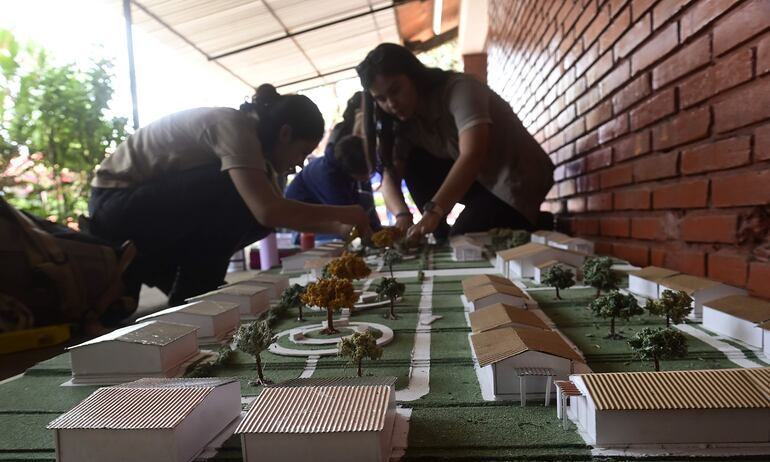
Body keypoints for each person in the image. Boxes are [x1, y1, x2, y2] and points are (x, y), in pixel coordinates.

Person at [88, 84, 371, 308]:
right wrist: (345, 215)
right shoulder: (235, 126)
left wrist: (340, 223)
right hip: (114, 205)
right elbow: (268, 209)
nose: (299, 165)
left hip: (143, 210)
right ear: (285, 133)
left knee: (255, 209)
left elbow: (270, 213)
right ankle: (195, 291)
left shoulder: (257, 148)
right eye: (302, 153)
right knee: (236, 194)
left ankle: (184, 280)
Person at [356, 43, 554, 242]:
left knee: (464, 239)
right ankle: (442, 236)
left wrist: (433, 213)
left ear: (413, 76)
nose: (391, 104)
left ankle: (541, 224)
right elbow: (390, 177)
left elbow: (473, 154)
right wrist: (402, 216)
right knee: (415, 162)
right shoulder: (405, 122)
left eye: (396, 90)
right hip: (481, 183)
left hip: (518, 178)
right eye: (381, 99)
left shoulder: (460, 88)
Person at [285, 93, 381, 239]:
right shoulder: (329, 178)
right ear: (353, 171)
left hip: (323, 209)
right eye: (366, 174)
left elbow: (355, 205)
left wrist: (377, 230)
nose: (367, 177)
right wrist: (371, 236)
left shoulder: (345, 167)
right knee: (347, 231)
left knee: (364, 201)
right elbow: (346, 217)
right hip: (302, 229)